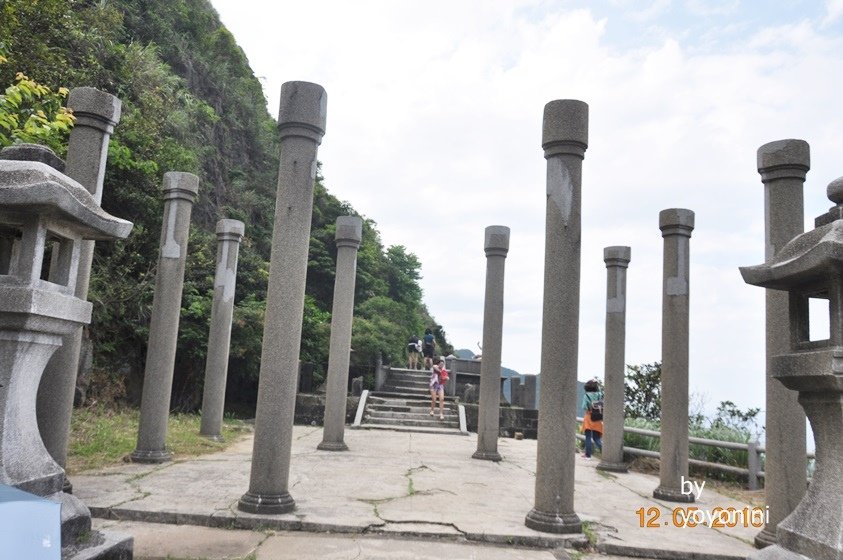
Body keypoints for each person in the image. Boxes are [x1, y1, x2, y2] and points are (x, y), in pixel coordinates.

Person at [581, 378, 604, 459]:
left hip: (589, 417)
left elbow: (584, 407)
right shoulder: (599, 394)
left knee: (588, 437)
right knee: (596, 438)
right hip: (598, 418)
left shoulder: (586, 396)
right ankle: (606, 453)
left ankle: (588, 455)